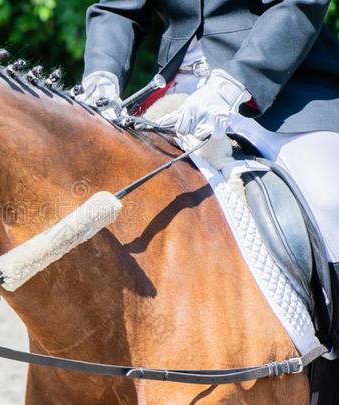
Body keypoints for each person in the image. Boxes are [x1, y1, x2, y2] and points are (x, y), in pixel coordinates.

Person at [78, 1, 339, 402]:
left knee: (329, 200)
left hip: (286, 89)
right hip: (174, 91)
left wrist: (237, 81)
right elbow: (117, 9)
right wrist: (102, 76)